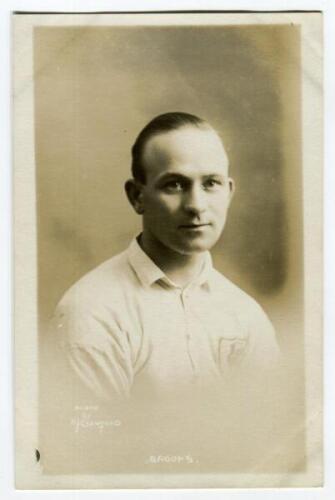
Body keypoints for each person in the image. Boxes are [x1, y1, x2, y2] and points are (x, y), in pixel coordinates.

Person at [49, 111, 280, 406]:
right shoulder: (92, 312)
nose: (196, 206)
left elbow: (268, 432)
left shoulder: (246, 315)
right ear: (137, 197)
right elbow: (93, 443)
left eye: (211, 183)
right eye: (175, 184)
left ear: (229, 192)